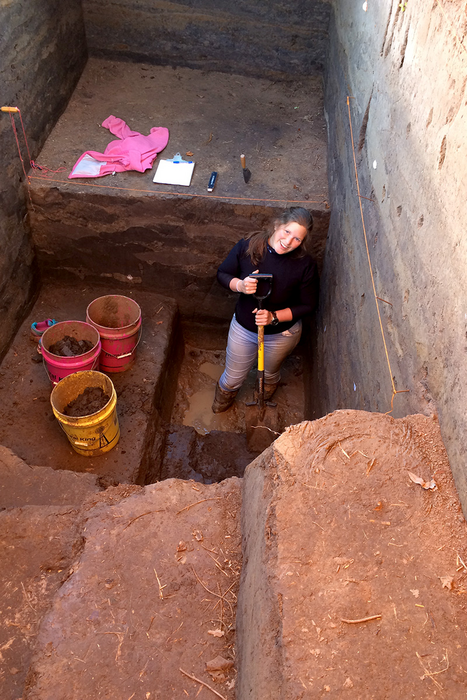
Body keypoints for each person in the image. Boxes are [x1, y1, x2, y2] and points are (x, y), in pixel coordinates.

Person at [212, 206, 319, 413]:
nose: (289, 242)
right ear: (277, 225)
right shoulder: (249, 247)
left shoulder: (305, 265)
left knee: (269, 374)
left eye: (297, 239)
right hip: (244, 328)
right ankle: (221, 403)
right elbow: (223, 274)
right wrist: (240, 285)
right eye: (287, 232)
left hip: (281, 334)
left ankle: (261, 398)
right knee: (232, 378)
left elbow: (308, 305)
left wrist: (274, 317)